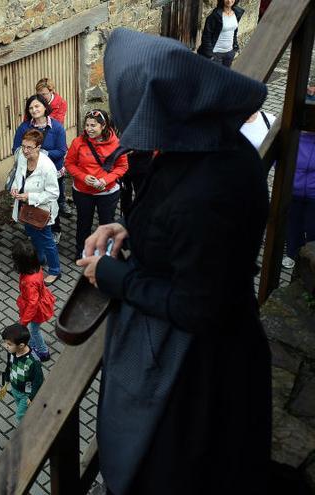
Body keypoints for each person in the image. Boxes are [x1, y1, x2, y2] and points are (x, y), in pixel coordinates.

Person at [78, 28, 271, 494]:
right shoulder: (207, 143)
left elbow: (198, 306)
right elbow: (182, 232)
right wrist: (131, 232)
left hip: (201, 375)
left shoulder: (207, 189)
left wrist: (112, 274)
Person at [64, 109, 128, 259]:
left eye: (93, 125)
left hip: (107, 192)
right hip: (82, 192)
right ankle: (81, 252)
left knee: (106, 225)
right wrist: (83, 177)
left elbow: (122, 166)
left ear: (103, 125)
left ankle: (106, 255)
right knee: (83, 224)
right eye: (87, 125)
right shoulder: (78, 142)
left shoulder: (116, 143)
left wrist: (105, 180)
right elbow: (69, 163)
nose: (88, 129)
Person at [9, 129, 61, 284]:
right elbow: (19, 175)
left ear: (38, 147)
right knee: (32, 234)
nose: (24, 151)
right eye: (23, 146)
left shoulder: (47, 167)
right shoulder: (22, 156)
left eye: (29, 148)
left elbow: (53, 193)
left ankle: (55, 270)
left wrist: (29, 197)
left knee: (47, 240)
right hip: (26, 209)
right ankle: (40, 259)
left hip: (41, 210)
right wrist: (15, 187)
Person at [13, 94, 70, 232]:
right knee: (30, 201)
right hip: (30, 172)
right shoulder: (24, 127)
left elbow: (62, 150)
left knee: (50, 202)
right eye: (31, 107)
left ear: (45, 107)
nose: (34, 110)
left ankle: (54, 230)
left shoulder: (56, 127)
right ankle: (32, 228)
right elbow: (16, 149)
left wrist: (43, 154)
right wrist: (28, 154)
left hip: (53, 171)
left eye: (37, 106)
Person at [11, 240, 56, 362]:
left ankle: (43, 351)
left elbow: (32, 303)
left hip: (37, 309)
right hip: (40, 303)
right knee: (33, 329)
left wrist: (23, 322)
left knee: (34, 330)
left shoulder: (29, 282)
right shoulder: (36, 268)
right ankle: (32, 344)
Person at [0, 323, 43, 422]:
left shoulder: (33, 362)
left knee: (20, 416)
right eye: (5, 342)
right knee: (22, 409)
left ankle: (24, 432)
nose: (6, 346)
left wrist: (31, 397)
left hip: (26, 393)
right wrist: (5, 382)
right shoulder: (12, 353)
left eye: (9, 344)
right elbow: (9, 367)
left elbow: (38, 381)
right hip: (15, 389)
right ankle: (31, 417)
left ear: (21, 345)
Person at [286, 130, 315, 269]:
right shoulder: (293, 135)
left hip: (313, 196)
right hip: (293, 192)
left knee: (312, 230)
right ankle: (292, 258)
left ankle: (310, 265)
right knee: (293, 229)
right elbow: (279, 160)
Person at [197, 0, 245, 68]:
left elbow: (234, 31)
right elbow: (206, 36)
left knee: (225, 76)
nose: (229, 0)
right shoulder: (215, 15)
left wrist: (234, 47)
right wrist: (210, 55)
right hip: (216, 54)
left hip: (229, 53)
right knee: (215, 77)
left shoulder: (237, 13)